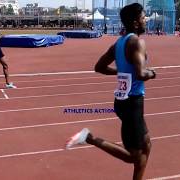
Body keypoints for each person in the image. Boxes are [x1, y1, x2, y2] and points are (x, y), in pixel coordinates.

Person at [65, 3, 156, 180]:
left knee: (146, 146)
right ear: (136, 22)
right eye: (144, 18)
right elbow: (140, 73)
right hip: (132, 104)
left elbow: (99, 67)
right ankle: (89, 138)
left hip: (123, 103)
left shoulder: (119, 43)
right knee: (134, 156)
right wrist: (151, 73)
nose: (146, 21)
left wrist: (121, 72)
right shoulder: (137, 42)